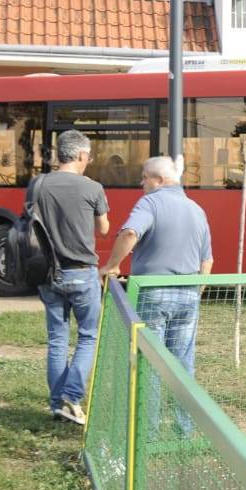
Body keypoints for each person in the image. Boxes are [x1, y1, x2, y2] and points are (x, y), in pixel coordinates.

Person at [100, 156, 213, 378]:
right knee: (183, 366)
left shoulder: (149, 203)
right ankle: (184, 413)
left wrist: (111, 266)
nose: (141, 183)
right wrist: (195, 293)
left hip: (154, 292)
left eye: (144, 178)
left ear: (159, 180)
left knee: (149, 363)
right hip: (189, 293)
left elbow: (130, 233)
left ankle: (148, 414)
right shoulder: (197, 209)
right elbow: (207, 261)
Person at [29, 130, 110, 425]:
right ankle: (71, 398)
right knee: (88, 336)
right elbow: (103, 229)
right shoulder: (92, 188)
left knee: (57, 340)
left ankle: (56, 404)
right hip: (82, 272)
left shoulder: (37, 185)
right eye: (88, 156)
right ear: (80, 156)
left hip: (49, 273)